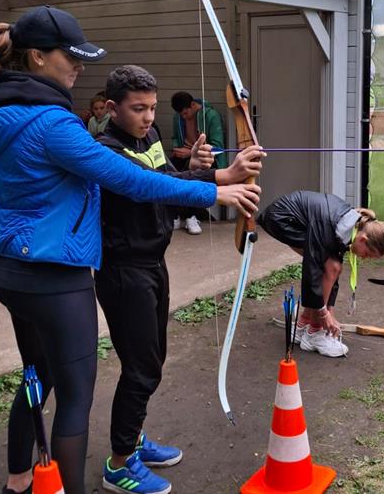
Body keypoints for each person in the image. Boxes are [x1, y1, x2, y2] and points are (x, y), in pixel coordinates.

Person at [0, 6, 260, 494]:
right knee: (76, 399)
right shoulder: (52, 124)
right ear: (37, 57)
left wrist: (212, 175)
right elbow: (128, 178)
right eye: (70, 57)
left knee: (37, 378)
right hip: (56, 274)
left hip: (11, 269)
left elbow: (146, 173)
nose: (79, 67)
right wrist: (216, 191)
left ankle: (19, 483)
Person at [95, 65, 265, 494]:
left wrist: (197, 165)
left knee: (153, 360)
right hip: (124, 271)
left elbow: (167, 179)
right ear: (113, 108)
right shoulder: (105, 149)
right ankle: (119, 462)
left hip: (153, 263)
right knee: (141, 368)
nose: (149, 117)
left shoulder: (149, 138)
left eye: (152, 107)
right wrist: (220, 181)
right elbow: (150, 187)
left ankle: (131, 439)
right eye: (138, 109)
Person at [258, 191, 384, 358]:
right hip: (280, 219)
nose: (364, 258)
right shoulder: (330, 225)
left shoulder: (351, 227)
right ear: (363, 239)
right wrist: (323, 314)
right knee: (328, 266)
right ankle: (314, 333)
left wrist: (330, 310)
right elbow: (312, 270)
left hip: (298, 219)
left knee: (334, 266)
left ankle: (303, 324)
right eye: (368, 254)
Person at [170, 91, 228, 234]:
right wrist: (177, 148)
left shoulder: (211, 116)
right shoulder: (178, 117)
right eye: (180, 115)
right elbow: (175, 138)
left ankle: (191, 216)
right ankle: (175, 214)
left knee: (191, 175)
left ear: (193, 105)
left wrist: (191, 153)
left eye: (185, 113)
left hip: (205, 157)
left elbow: (218, 147)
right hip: (185, 155)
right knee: (168, 170)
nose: (183, 117)